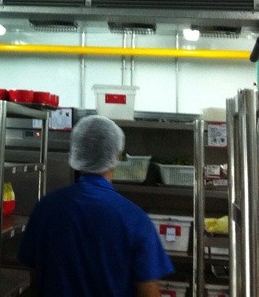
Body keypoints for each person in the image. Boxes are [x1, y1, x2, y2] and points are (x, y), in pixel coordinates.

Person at [17, 115, 174, 296]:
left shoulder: (46, 208)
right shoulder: (135, 219)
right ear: (116, 155)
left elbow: (35, 277)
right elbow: (148, 292)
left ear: (76, 152)